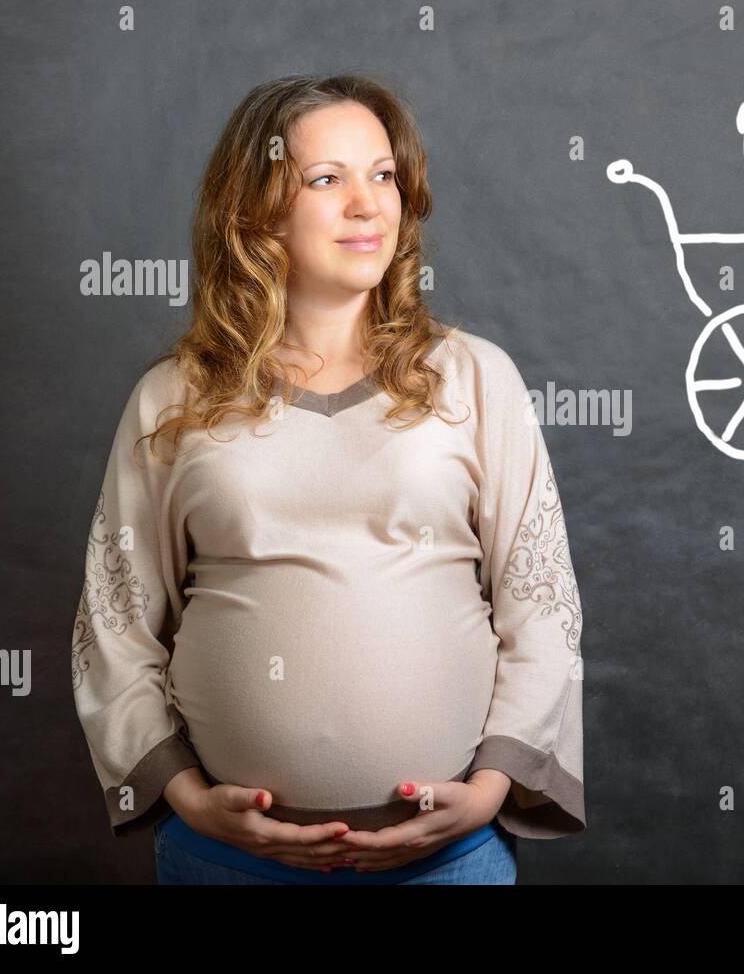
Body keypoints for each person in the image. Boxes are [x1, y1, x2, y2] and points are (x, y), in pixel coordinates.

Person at [70, 74, 585, 885]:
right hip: (227, 860)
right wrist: (187, 797)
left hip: (449, 860)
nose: (369, 204)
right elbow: (116, 622)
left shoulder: (478, 379)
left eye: (383, 175)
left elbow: (542, 608)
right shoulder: (174, 399)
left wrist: (489, 789)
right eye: (326, 179)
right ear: (254, 210)